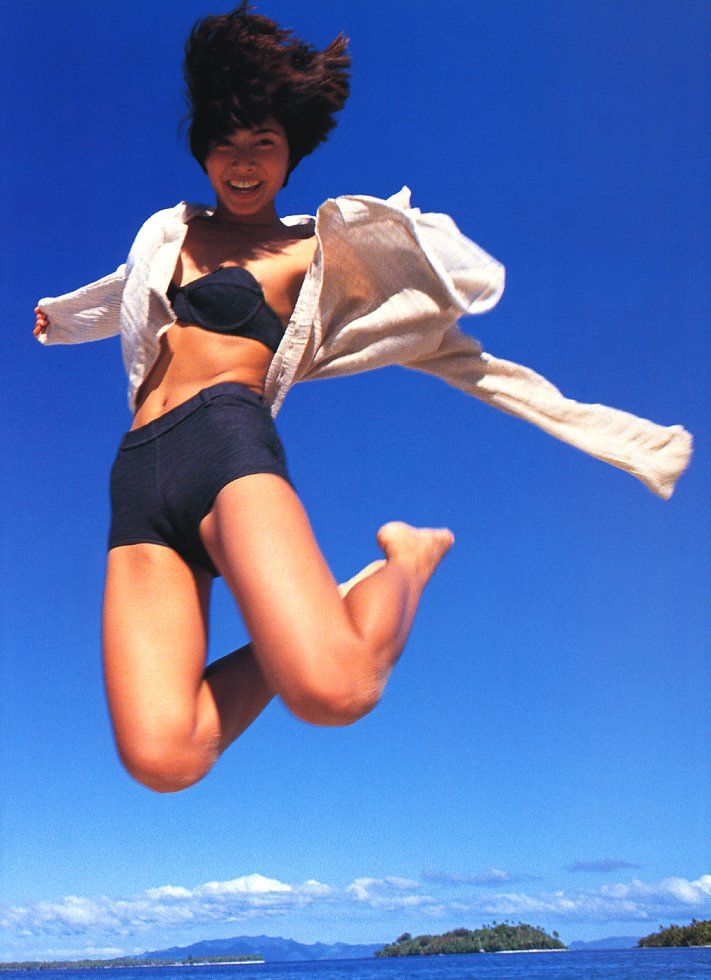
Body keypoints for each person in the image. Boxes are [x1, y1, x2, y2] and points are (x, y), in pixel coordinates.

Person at [34, 3, 692, 794]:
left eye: (263, 144)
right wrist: (64, 319)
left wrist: (410, 239)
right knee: (164, 757)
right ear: (203, 151)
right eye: (226, 143)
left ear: (290, 154)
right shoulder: (169, 230)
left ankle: (406, 560)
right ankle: (306, 621)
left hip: (223, 446)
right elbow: (126, 291)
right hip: (138, 474)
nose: (242, 162)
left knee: (335, 691)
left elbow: (445, 284)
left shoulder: (313, 247)